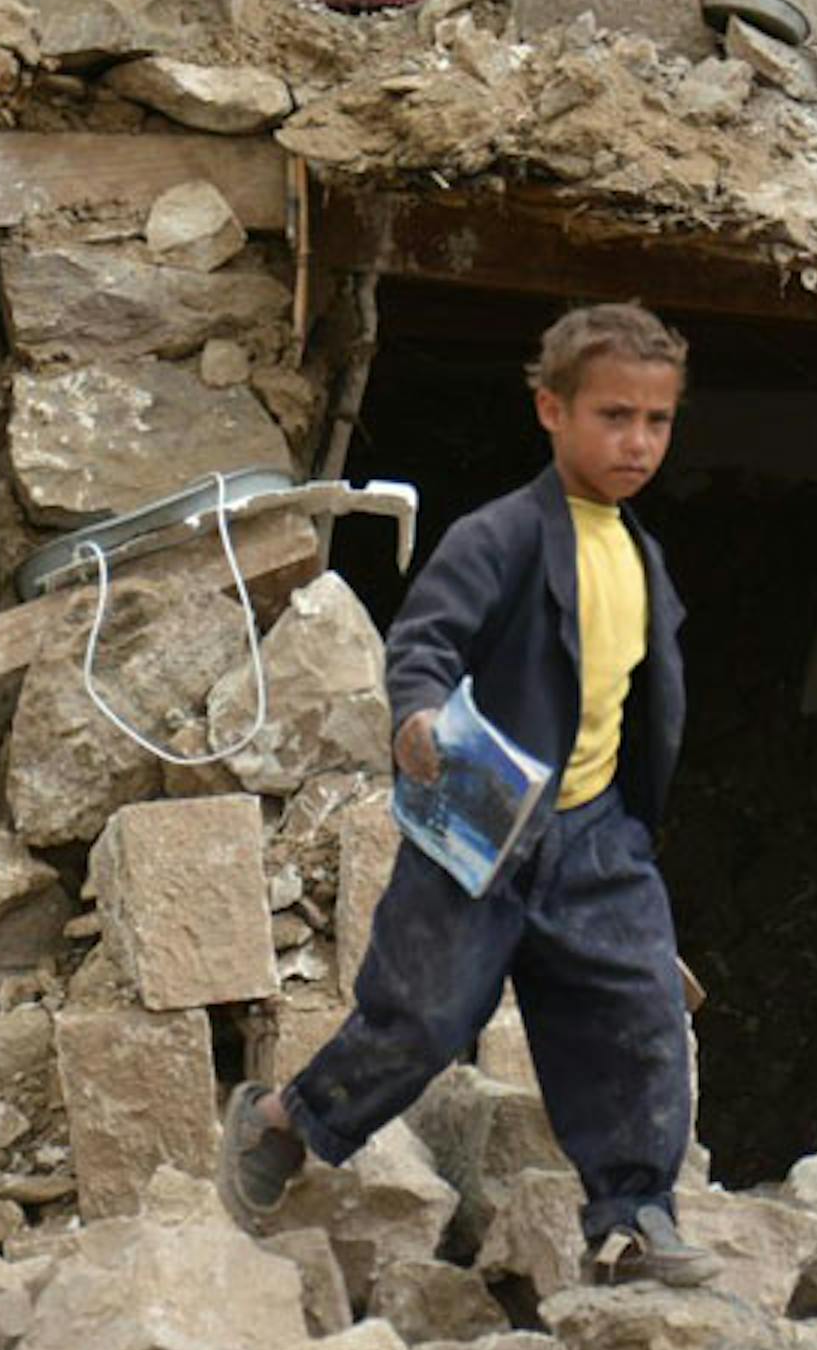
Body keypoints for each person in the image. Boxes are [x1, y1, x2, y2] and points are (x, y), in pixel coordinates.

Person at [217, 301, 715, 1286]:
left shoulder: (638, 553)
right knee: (422, 1022)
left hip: (597, 837)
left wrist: (627, 820)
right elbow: (426, 639)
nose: (638, 442)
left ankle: (633, 1220)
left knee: (640, 1016)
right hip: (486, 821)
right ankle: (281, 1122)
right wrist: (415, 717)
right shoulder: (501, 536)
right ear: (550, 411)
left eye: (657, 421)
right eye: (614, 416)